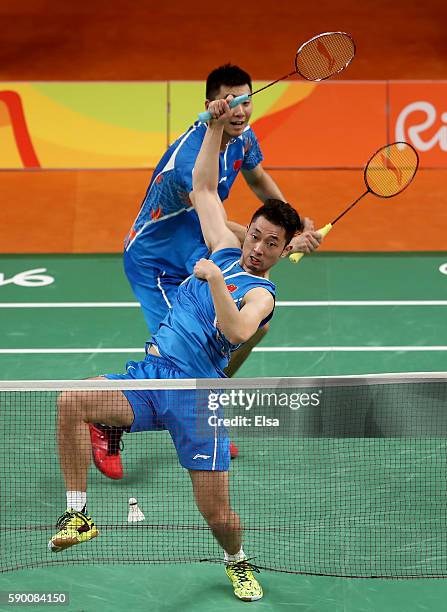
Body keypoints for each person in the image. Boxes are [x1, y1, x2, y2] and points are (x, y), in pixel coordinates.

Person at [49, 96, 309, 602]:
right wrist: (213, 127)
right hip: (152, 376)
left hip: (197, 398)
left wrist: (214, 279)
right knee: (70, 401)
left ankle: (236, 560)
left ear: (283, 249)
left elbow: (236, 333)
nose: (256, 247)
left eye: (270, 243)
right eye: (254, 235)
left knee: (218, 515)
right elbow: (205, 187)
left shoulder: (262, 294)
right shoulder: (222, 244)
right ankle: (78, 514)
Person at [89, 63, 322, 480]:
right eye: (231, 103)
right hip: (158, 259)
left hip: (196, 248)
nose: (241, 111)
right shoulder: (188, 161)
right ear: (212, 105)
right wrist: (280, 243)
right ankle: (109, 422)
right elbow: (226, 221)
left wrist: (295, 224)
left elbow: (259, 179)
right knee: (181, 346)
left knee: (252, 330)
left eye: (247, 101)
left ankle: (202, 402)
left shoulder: (243, 137)